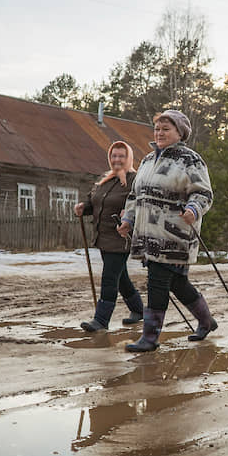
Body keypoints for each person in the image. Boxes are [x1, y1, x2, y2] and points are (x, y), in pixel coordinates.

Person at [117, 110, 217, 352]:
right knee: (178, 284)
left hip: (175, 234)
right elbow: (135, 196)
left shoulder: (190, 160)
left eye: (166, 129)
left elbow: (203, 192)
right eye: (157, 129)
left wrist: (194, 209)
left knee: (158, 283)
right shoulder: (149, 160)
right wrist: (128, 219)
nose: (159, 133)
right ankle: (206, 321)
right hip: (148, 233)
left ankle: (150, 338)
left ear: (179, 133)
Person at [74, 141, 145, 331]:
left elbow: (141, 205)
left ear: (128, 157)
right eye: (114, 155)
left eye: (121, 156)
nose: (117, 159)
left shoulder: (135, 180)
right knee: (120, 277)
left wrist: (130, 216)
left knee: (109, 277)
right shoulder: (105, 179)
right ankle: (139, 310)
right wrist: (83, 207)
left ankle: (101, 320)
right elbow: (93, 201)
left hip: (121, 237)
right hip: (103, 236)